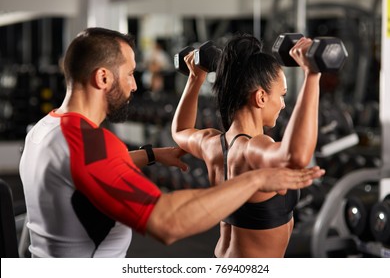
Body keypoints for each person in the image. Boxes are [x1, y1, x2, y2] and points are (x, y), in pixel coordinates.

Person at [19, 28, 325, 258]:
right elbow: (167, 223)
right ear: (102, 78)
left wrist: (150, 154)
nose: (136, 85)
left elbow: (83, 171)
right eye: (130, 74)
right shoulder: (91, 143)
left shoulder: (43, 131)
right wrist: (258, 178)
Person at [171, 33, 322, 257]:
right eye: (282, 95)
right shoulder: (254, 148)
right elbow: (296, 156)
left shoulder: (213, 144)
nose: (282, 104)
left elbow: (180, 131)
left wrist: (195, 78)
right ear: (261, 97)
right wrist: (312, 74)